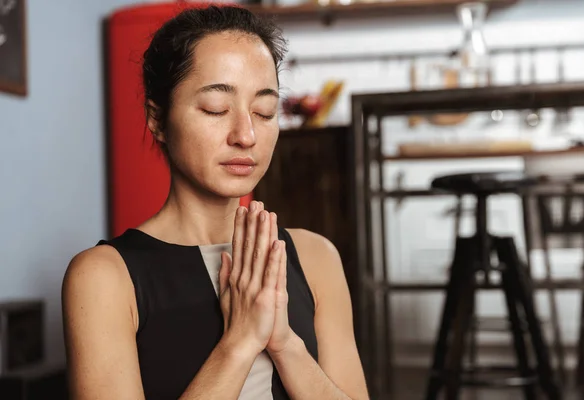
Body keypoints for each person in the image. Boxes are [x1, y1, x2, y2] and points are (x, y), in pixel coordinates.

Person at [62, 5, 369, 400]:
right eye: (216, 109)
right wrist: (239, 342)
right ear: (157, 119)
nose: (246, 135)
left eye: (264, 111)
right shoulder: (103, 278)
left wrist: (285, 343)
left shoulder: (315, 257)